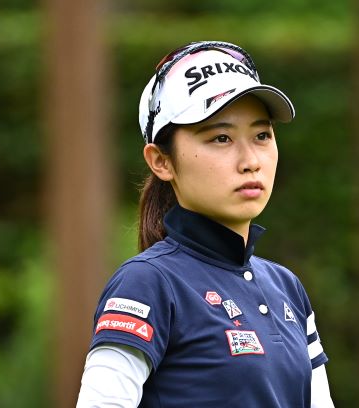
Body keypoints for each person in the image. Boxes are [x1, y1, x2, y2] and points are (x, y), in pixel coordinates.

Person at [76, 40, 335, 407]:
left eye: (262, 135)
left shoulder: (287, 288)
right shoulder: (146, 283)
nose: (250, 161)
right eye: (221, 138)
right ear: (161, 161)